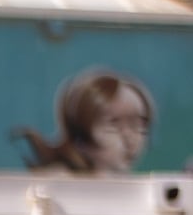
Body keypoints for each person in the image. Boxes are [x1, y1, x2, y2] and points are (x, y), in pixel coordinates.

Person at [19, 69, 155, 175]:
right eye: (114, 124)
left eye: (137, 124)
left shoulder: (142, 190)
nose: (129, 137)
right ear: (81, 131)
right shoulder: (58, 184)